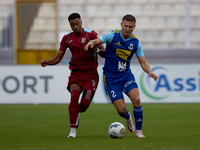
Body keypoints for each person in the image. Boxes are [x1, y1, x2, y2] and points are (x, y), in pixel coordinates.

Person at [84, 14, 159, 138]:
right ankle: (128, 117)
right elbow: (99, 40)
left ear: (134, 27)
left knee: (136, 99)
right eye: (125, 26)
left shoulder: (135, 42)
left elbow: (143, 61)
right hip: (111, 78)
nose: (127, 29)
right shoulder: (112, 35)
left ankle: (139, 132)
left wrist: (149, 72)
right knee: (121, 110)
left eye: (130, 26)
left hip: (126, 76)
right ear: (121, 25)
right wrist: (93, 42)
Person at [41, 13, 105, 138]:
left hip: (90, 74)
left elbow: (104, 53)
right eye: (72, 25)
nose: (75, 27)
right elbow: (58, 58)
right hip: (75, 73)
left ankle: (77, 113)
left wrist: (96, 49)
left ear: (81, 22)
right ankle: (72, 131)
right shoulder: (67, 38)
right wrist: (47, 62)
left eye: (77, 24)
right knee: (74, 96)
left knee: (85, 103)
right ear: (69, 25)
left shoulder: (90, 34)